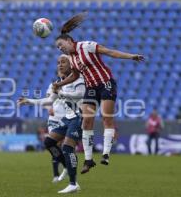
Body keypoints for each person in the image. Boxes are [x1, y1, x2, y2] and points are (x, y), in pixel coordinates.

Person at [52, 13, 145, 174]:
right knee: (86, 122)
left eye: (61, 45)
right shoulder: (71, 58)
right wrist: (59, 83)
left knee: (106, 118)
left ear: (68, 40)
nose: (60, 49)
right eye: (58, 48)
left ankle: (106, 154)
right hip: (91, 87)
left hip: (106, 83)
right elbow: (75, 75)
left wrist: (131, 56)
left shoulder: (86, 46)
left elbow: (110, 52)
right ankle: (88, 160)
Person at [18, 54, 85, 193]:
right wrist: (29, 101)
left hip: (78, 117)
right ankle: (66, 166)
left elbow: (80, 93)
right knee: (48, 142)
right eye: (58, 62)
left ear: (71, 64)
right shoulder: (59, 81)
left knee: (67, 147)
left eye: (63, 62)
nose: (60, 64)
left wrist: (61, 92)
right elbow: (49, 101)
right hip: (68, 119)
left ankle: (73, 183)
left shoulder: (77, 77)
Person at [44, 81, 67, 183]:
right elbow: (47, 100)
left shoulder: (74, 83)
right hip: (54, 119)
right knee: (54, 145)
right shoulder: (53, 84)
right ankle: (56, 174)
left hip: (67, 118)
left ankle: (68, 171)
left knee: (66, 146)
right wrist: (49, 108)